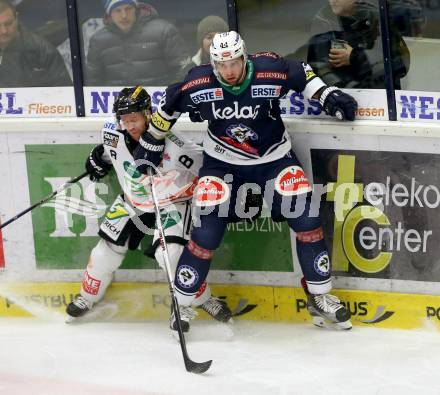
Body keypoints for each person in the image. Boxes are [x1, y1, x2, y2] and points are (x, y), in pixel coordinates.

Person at [133, 31, 358, 331]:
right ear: (213, 63)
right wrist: (151, 140)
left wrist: (326, 94)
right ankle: (184, 304)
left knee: (307, 218)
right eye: (221, 65)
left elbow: (301, 73)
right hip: (221, 164)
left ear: (244, 57)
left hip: (274, 159)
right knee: (206, 233)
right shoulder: (199, 82)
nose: (228, 71)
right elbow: (169, 104)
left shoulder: (268, 69)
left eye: (234, 63)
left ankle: (319, 295)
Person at [66, 86, 232, 332]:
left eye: (134, 119)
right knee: (104, 253)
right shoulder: (113, 133)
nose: (130, 125)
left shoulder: (175, 145)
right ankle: (87, 297)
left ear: (148, 114)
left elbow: (207, 168)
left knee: (170, 255)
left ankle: (200, 299)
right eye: (124, 120)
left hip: (172, 199)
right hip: (134, 198)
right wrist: (99, 158)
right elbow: (109, 153)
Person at [307, 0, 410, 89]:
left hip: (381, 98)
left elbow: (401, 63)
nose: (333, 0)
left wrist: (355, 56)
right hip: (341, 99)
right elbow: (319, 68)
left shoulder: (378, 18)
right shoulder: (323, 22)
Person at [85, 0, 190, 86]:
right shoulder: (98, 40)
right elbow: (93, 81)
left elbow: (183, 70)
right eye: (117, 10)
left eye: (128, 9)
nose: (124, 15)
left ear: (136, 9)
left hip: (159, 105)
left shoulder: (164, 31)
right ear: (109, 14)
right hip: (117, 107)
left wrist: (169, 96)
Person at [0, 0, 71, 87]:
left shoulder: (43, 51)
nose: (4, 31)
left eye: (8, 23)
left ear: (17, 18)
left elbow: (64, 90)